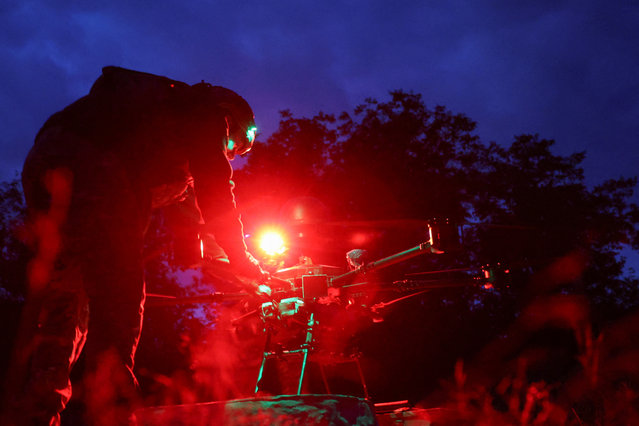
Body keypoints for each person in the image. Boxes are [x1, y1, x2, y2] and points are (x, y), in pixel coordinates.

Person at [3, 66, 267, 425]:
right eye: (232, 145)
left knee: (65, 301)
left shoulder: (165, 134)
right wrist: (245, 259)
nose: (229, 153)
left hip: (44, 163)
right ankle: (112, 411)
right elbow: (218, 192)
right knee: (119, 295)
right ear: (230, 120)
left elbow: (193, 240)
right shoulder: (207, 113)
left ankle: (36, 412)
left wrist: (234, 272)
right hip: (94, 164)